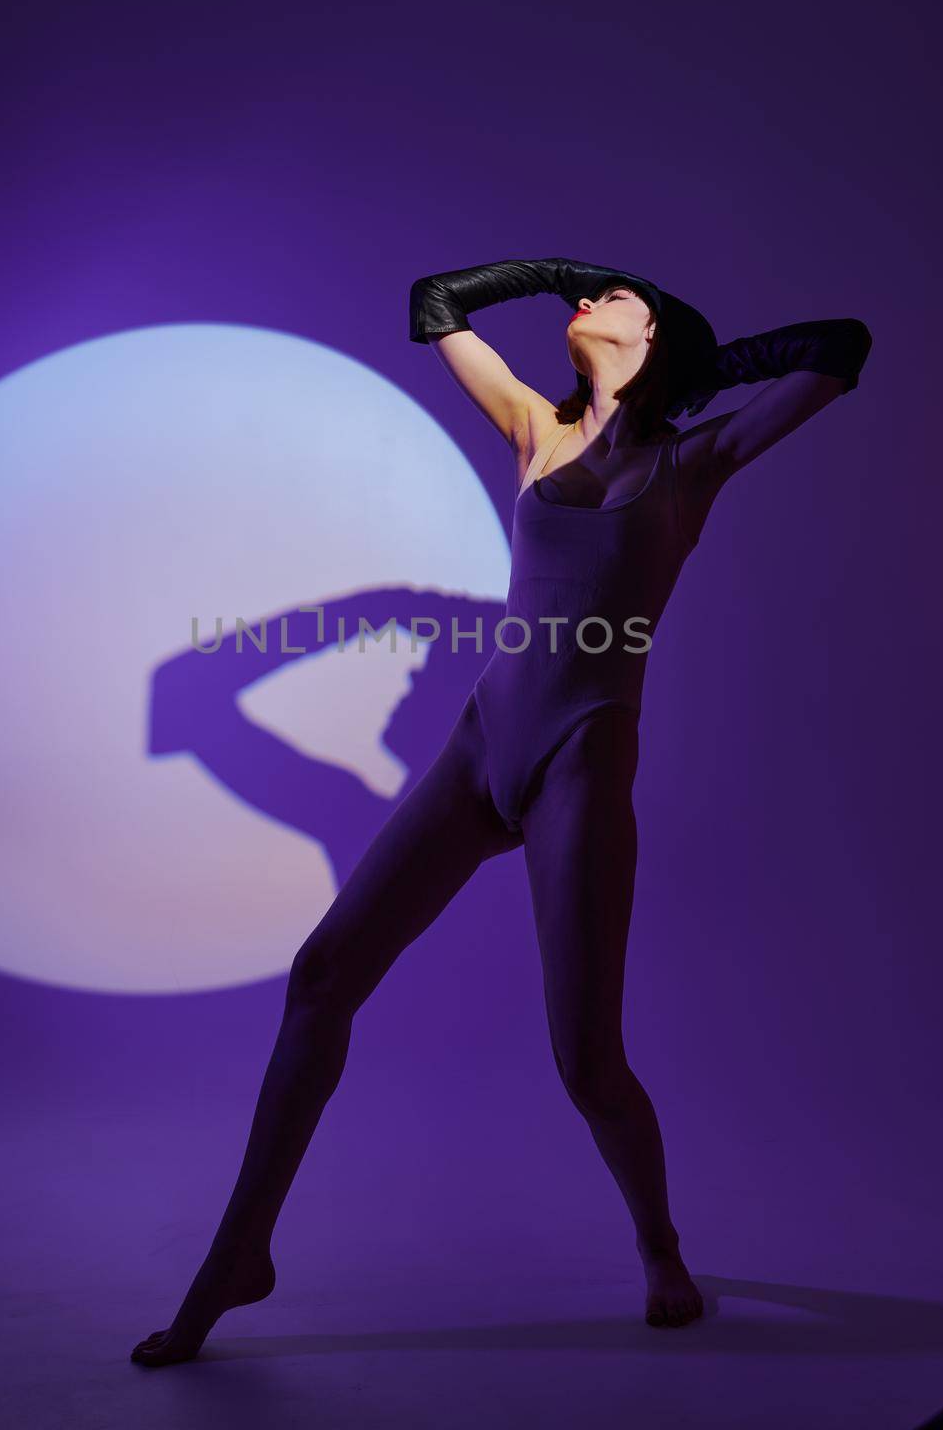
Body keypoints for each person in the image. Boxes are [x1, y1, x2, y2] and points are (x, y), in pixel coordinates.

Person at [130, 256, 872, 1365]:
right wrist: (557, 273)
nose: (588, 300)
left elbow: (839, 346)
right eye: (588, 289)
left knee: (583, 1058)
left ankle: (659, 1243)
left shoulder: (692, 457)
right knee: (319, 977)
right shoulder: (533, 427)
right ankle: (239, 1253)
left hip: (580, 757)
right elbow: (434, 304)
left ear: (658, 338)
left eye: (616, 295)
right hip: (480, 746)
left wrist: (699, 362)